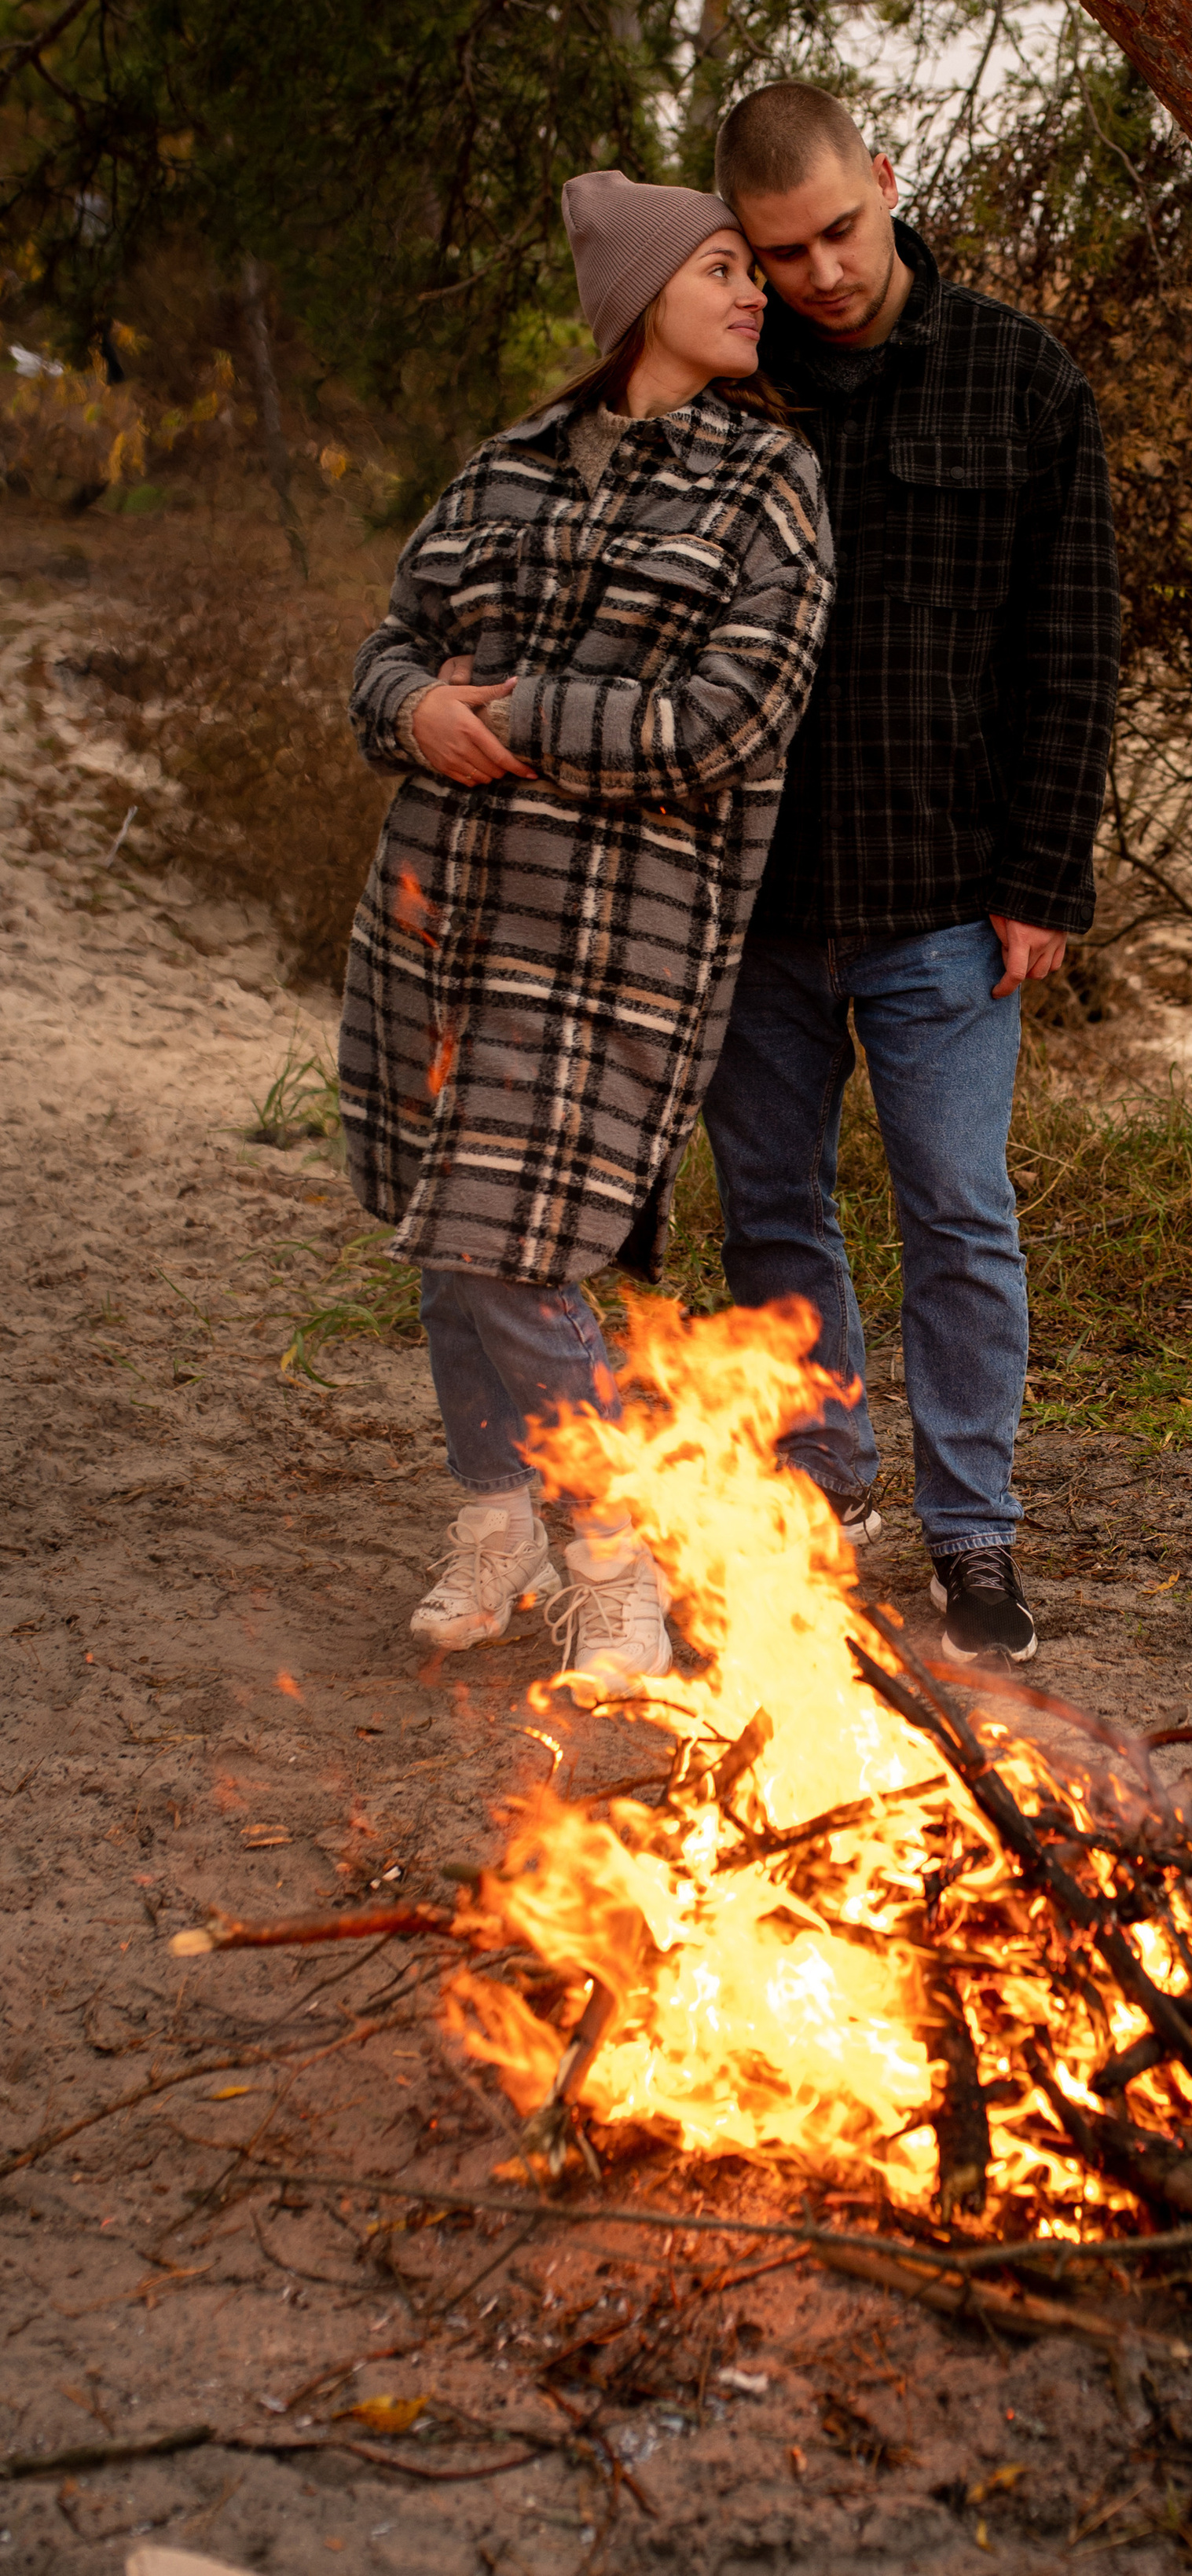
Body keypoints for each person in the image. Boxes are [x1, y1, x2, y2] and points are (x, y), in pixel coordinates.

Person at [339, 174, 832, 1705]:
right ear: (635, 298)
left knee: (511, 1238)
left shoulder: (768, 485)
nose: (754, 292)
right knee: (444, 1225)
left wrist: (516, 719)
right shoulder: (501, 472)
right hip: (443, 907)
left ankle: (614, 1563)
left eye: (756, 270)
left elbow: (728, 719)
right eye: (719, 267)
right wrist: (414, 707)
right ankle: (497, 1520)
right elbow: (389, 649)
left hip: (616, 934)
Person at [704, 82, 1120, 1668]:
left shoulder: (1020, 379)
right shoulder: (727, 397)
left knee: (956, 1208)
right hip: (752, 905)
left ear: (886, 182)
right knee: (771, 1212)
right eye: (778, 251)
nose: (815, 273)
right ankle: (823, 1502)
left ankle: (972, 1534)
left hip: (948, 899)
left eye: (837, 231)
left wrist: (1042, 880)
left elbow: (1068, 647)